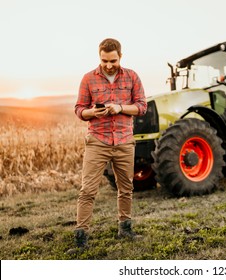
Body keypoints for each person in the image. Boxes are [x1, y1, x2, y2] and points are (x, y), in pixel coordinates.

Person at [70, 38, 147, 252]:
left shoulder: (132, 77)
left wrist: (119, 107)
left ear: (120, 56)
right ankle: (81, 237)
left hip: (124, 141)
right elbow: (79, 110)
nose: (109, 65)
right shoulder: (88, 79)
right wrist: (92, 112)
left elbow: (141, 107)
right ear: (99, 57)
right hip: (98, 141)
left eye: (113, 60)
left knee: (126, 189)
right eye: (104, 60)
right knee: (87, 190)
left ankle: (125, 229)